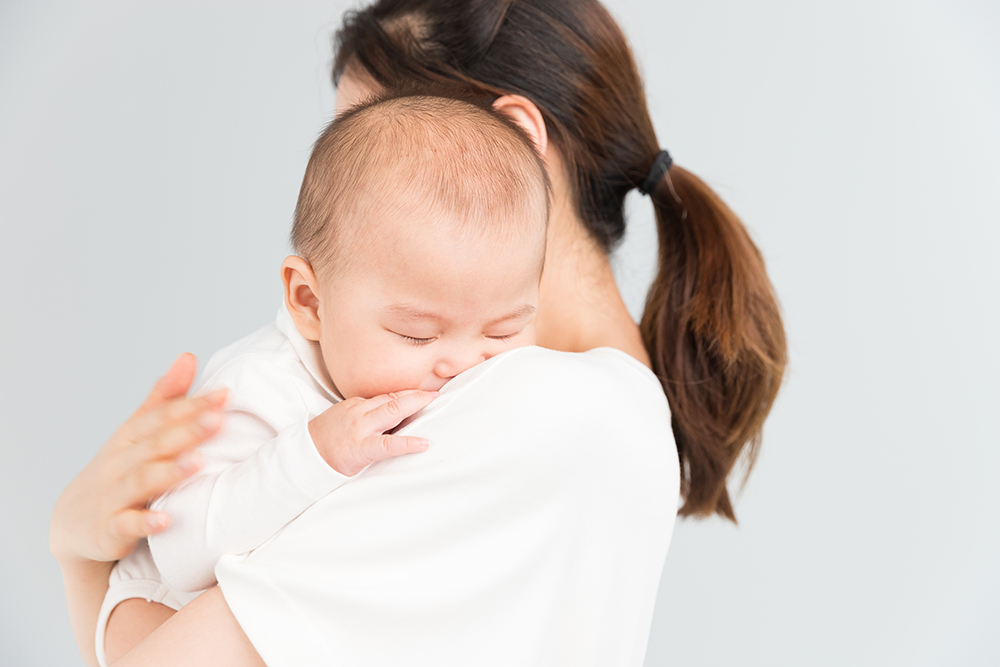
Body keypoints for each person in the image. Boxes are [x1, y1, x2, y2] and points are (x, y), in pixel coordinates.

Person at [50, 0, 787, 665]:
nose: (350, 197)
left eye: (376, 143)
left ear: (515, 141)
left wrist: (83, 559)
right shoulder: (605, 413)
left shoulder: (543, 409)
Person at [89, 90, 550, 664]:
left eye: (503, 331)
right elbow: (179, 550)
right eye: (417, 334)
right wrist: (314, 453)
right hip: (159, 613)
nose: (460, 364)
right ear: (310, 301)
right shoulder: (254, 385)